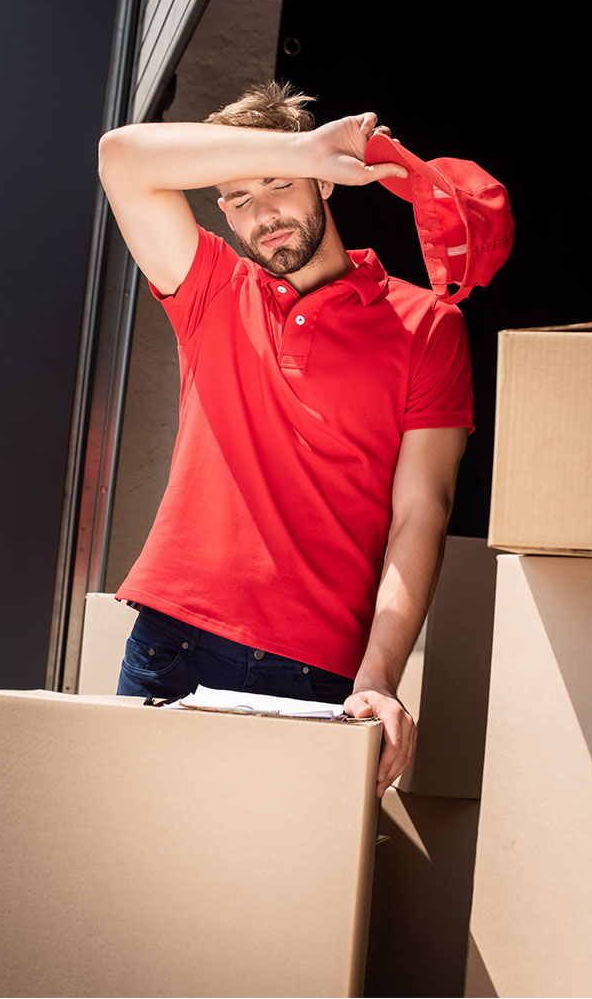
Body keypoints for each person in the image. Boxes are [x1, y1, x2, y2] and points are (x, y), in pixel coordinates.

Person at [98, 81, 474, 797]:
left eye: (281, 183)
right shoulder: (210, 284)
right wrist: (297, 148)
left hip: (315, 671)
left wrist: (379, 677)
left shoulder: (427, 326)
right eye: (238, 197)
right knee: (135, 897)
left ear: (326, 186)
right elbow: (120, 157)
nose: (264, 213)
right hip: (171, 644)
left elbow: (421, 511)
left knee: (271, 906)